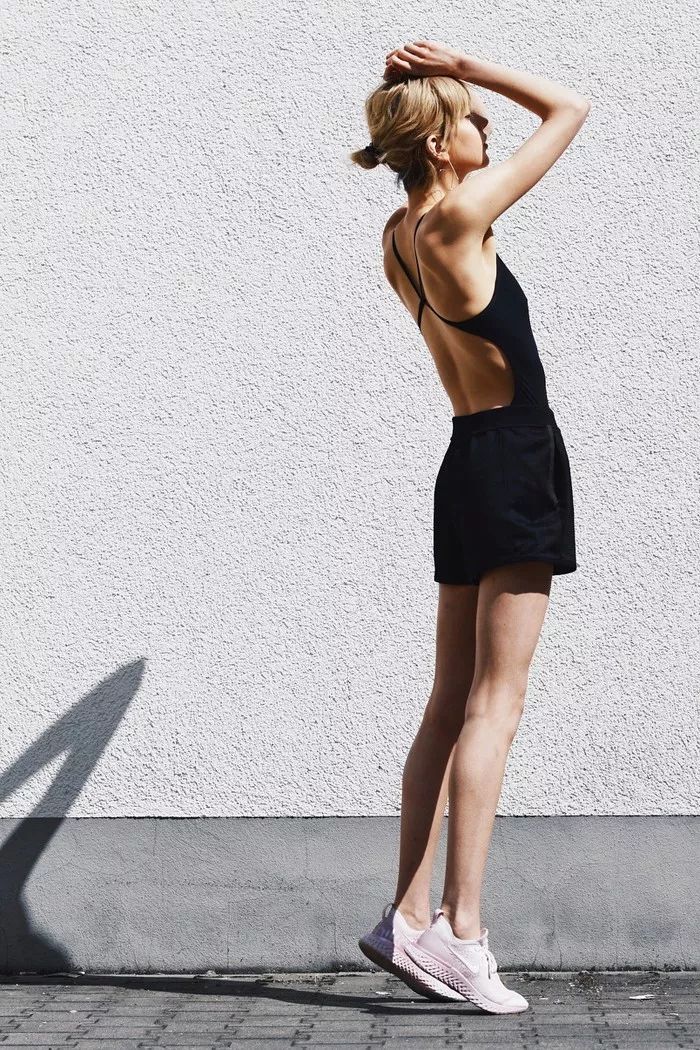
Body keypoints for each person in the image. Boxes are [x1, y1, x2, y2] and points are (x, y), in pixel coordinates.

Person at [352, 41, 590, 1014]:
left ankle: (405, 916)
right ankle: (462, 931)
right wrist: (471, 66)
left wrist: (447, 86)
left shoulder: (398, 235)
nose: (488, 129)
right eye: (472, 119)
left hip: (464, 462)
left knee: (449, 700)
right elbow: (570, 109)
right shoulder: (457, 217)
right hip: (515, 459)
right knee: (496, 702)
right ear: (437, 143)